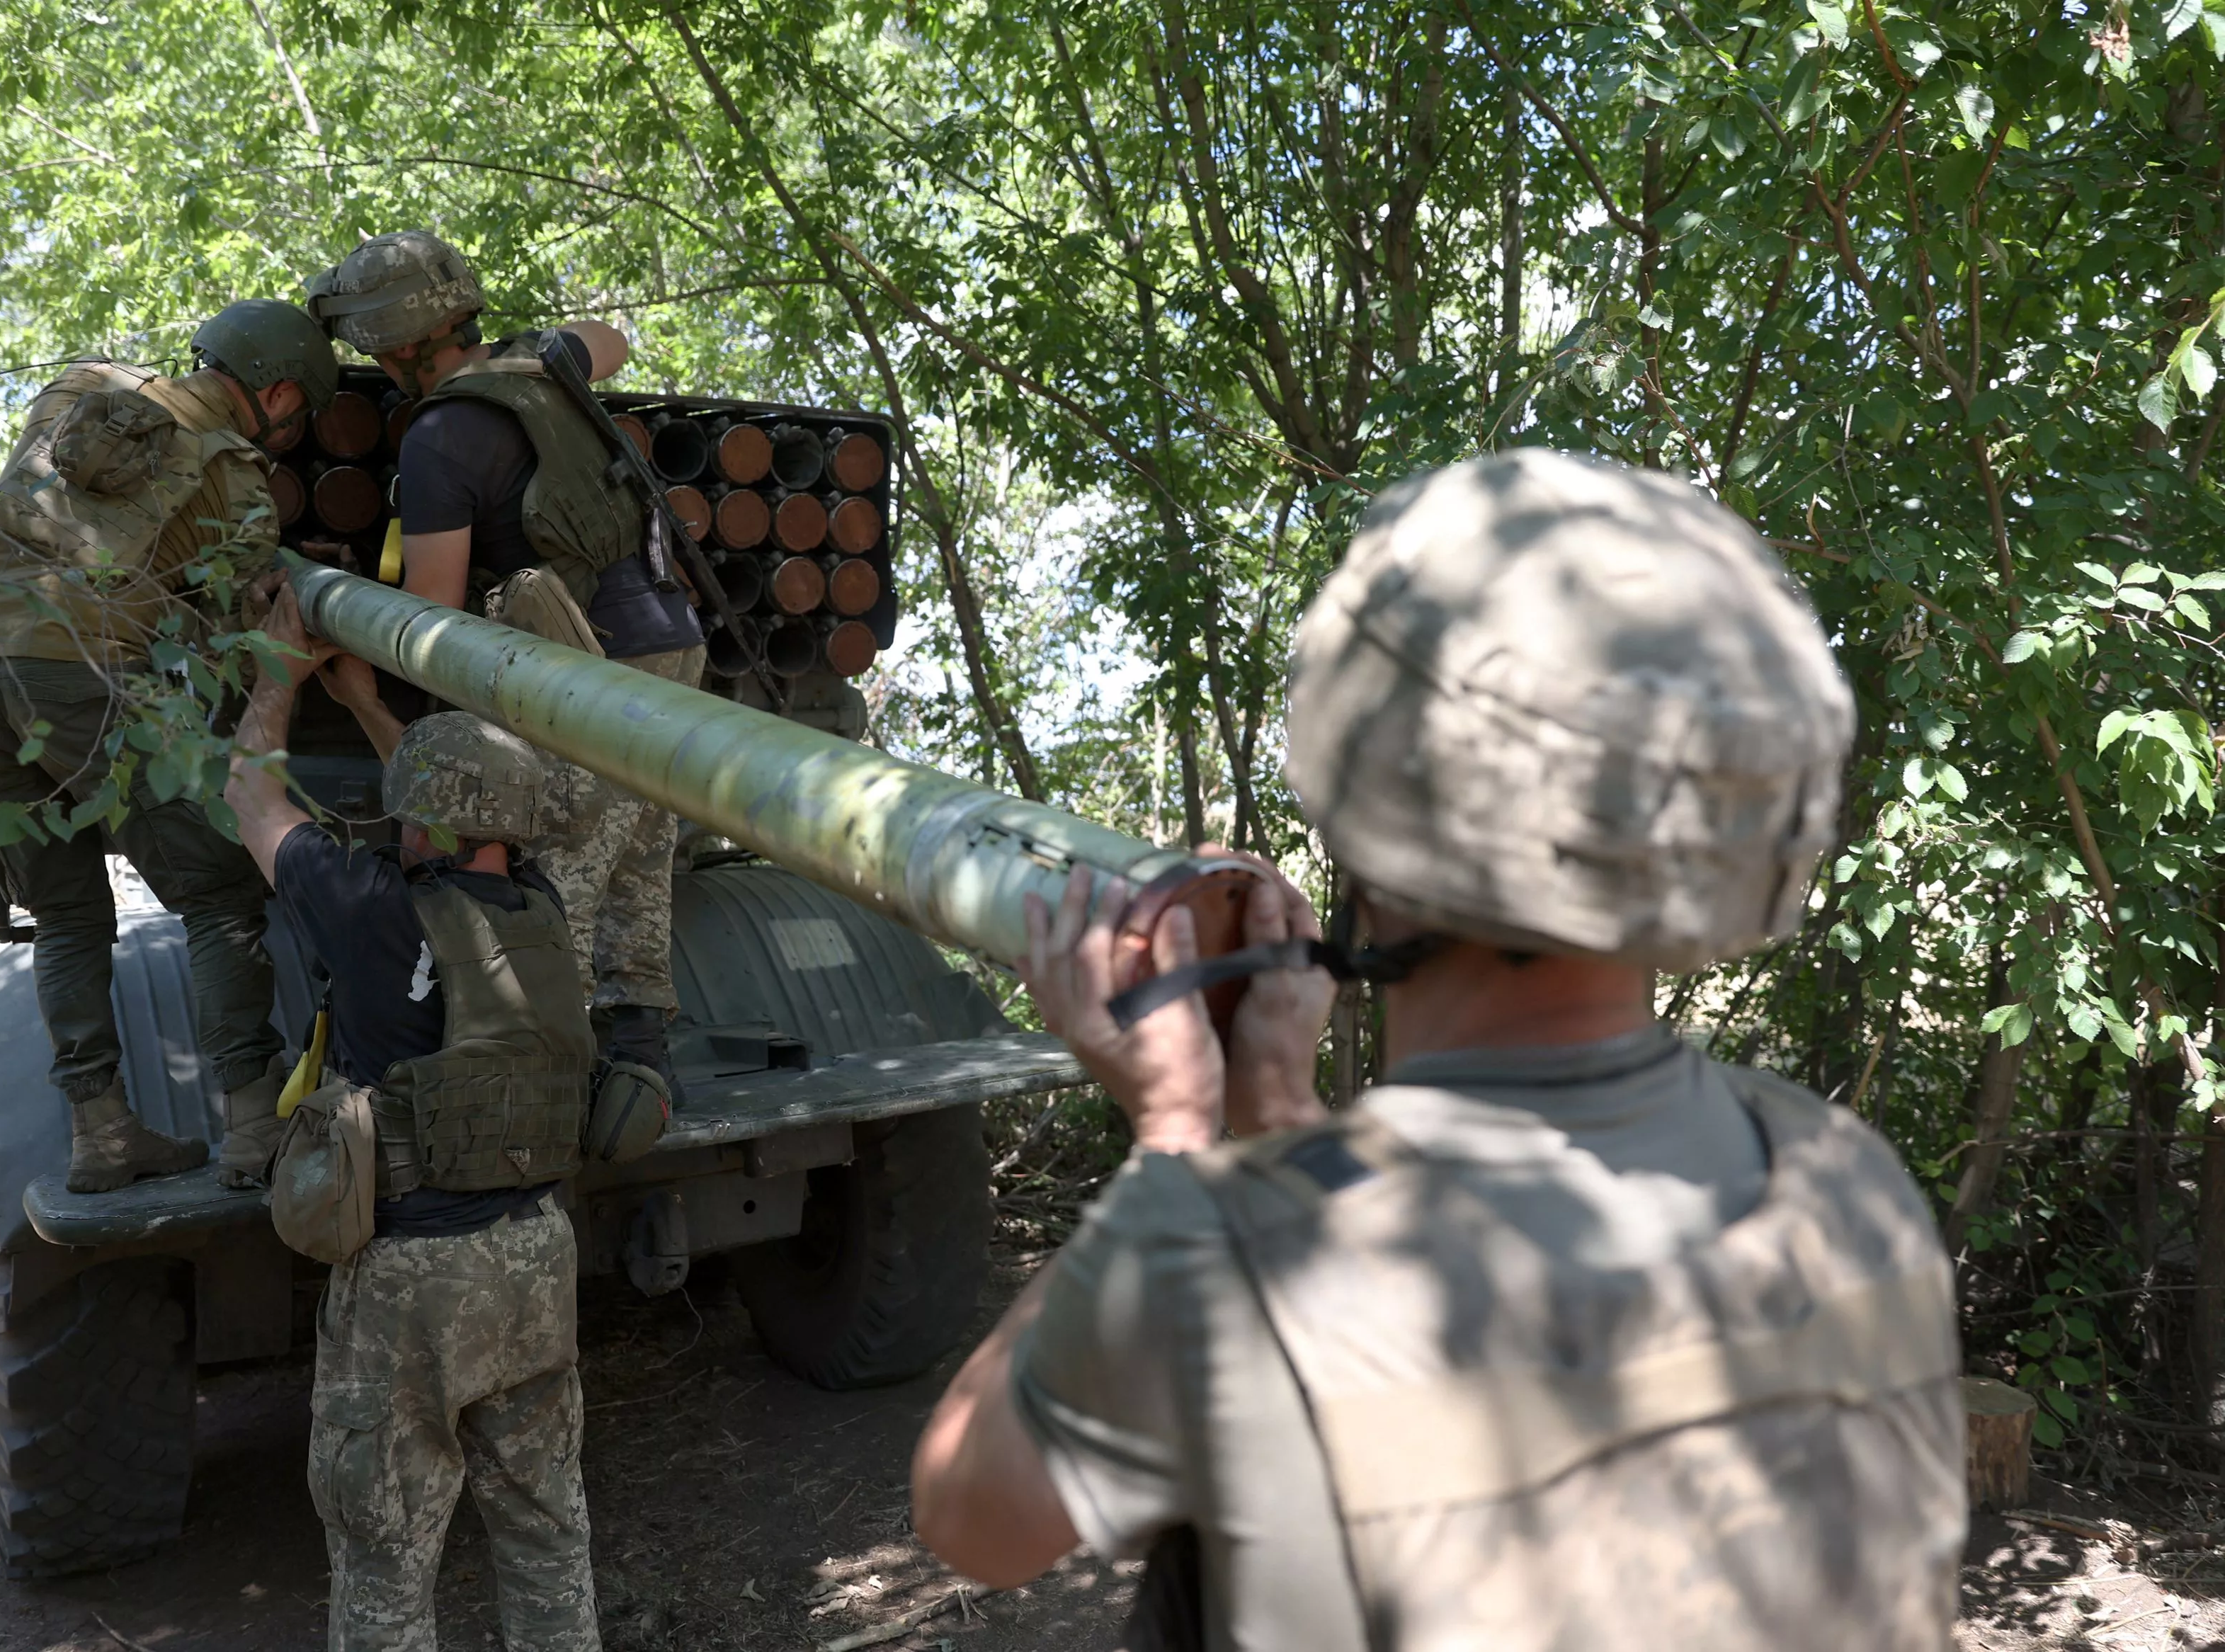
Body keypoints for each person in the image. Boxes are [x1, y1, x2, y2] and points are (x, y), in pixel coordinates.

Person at [909, 450, 1965, 1651]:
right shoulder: (1846, 1175)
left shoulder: (1219, 1254)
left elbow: (971, 1517)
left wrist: (1174, 1139)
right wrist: (1273, 1102)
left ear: (1365, 787)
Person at [224, 583, 600, 1652]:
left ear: (423, 815)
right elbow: (468, 801)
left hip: (413, 1283)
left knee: (385, 1560)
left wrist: (278, 679)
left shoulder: (373, 908)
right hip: (536, 1251)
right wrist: (384, 713)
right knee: (546, 1537)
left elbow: (251, 799)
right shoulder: (542, 911)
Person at [0, 299, 338, 1193]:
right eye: (299, 409)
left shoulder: (79, 390)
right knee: (220, 887)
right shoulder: (234, 474)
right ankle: (250, 1128)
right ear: (274, 392)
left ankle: (102, 1133)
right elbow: (236, 625)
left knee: (68, 914)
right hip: (83, 673)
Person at [305, 230, 705, 1099]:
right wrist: (547, 349)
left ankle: (550, 1087)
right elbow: (613, 337)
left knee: (553, 883)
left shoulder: (442, 434)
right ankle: (641, 1059)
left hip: (586, 677)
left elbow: (437, 619)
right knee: (639, 853)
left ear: (394, 346)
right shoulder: (541, 365)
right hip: (674, 649)